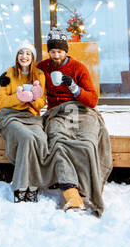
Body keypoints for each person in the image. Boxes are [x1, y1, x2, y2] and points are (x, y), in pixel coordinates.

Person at [37, 30, 113, 216]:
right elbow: (26, 78)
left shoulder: (79, 68)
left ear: (66, 51)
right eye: (52, 51)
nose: (56, 55)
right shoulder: (43, 67)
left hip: (81, 110)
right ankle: (71, 192)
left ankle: (86, 189)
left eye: (59, 52)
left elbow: (93, 100)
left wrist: (74, 88)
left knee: (87, 143)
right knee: (58, 142)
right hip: (57, 112)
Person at [0, 43, 50, 203]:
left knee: (41, 140)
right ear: (17, 56)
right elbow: (1, 101)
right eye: (21, 53)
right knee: (27, 138)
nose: (24, 56)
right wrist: (19, 98)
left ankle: (33, 185)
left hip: (31, 117)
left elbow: (41, 104)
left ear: (33, 57)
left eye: (28, 53)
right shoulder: (9, 74)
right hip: (9, 116)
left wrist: (34, 98)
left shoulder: (39, 75)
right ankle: (21, 187)